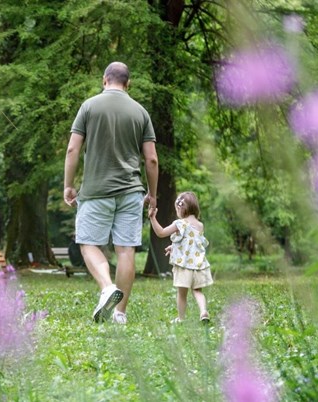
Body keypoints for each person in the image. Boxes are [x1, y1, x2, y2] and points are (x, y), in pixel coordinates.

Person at [64, 61, 159, 324]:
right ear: (128, 84)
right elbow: (151, 159)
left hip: (96, 191)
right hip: (131, 192)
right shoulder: (141, 113)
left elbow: (72, 150)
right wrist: (153, 194)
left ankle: (107, 288)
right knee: (125, 250)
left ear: (104, 80)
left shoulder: (89, 106)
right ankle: (120, 314)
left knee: (88, 243)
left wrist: (68, 185)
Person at [148, 191, 212, 323]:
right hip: (198, 265)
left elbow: (160, 233)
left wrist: (153, 218)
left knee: (182, 294)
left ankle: (181, 318)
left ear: (181, 208)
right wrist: (174, 246)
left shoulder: (180, 223)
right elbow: (192, 243)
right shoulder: (200, 225)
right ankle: (203, 311)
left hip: (184, 266)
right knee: (198, 291)